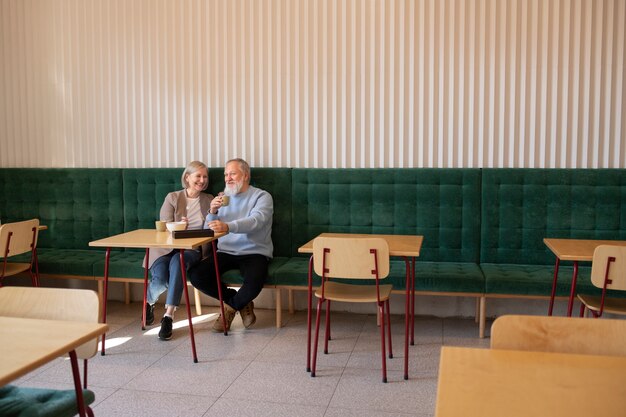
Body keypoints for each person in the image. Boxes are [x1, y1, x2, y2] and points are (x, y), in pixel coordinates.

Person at [188, 158, 273, 332]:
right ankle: (240, 302)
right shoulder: (222, 198)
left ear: (246, 175)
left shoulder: (262, 196)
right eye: (226, 174)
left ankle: (229, 310)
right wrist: (211, 212)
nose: (228, 178)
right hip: (226, 251)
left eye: (232, 173)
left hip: (254, 251)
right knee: (196, 275)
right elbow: (208, 231)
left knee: (255, 280)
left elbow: (256, 221)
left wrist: (229, 227)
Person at [144, 161, 213, 340]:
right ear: (187, 177)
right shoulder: (173, 197)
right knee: (160, 280)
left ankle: (168, 316)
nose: (202, 180)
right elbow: (164, 226)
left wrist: (214, 213)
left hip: (192, 249)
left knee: (179, 262)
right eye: (198, 176)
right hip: (166, 248)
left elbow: (211, 227)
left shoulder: (209, 200)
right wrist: (180, 226)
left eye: (204, 176)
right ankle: (149, 301)